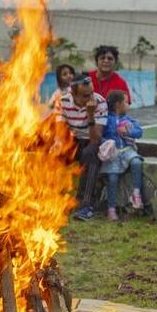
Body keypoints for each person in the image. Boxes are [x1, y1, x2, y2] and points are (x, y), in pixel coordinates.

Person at [55, 73, 106, 221]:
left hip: (91, 139)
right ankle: (52, 201)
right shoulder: (63, 101)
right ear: (73, 94)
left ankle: (86, 205)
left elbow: (96, 138)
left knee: (90, 154)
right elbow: (60, 131)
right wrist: (59, 146)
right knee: (55, 155)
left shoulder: (99, 102)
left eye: (91, 93)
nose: (91, 98)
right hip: (73, 140)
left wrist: (90, 115)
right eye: (85, 96)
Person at [100, 91, 144, 221]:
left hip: (127, 150)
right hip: (113, 153)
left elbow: (139, 132)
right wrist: (107, 143)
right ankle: (111, 209)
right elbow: (100, 135)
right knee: (112, 178)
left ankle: (136, 193)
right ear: (118, 104)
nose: (128, 104)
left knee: (136, 162)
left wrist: (128, 131)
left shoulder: (129, 120)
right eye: (126, 102)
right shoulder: (106, 119)